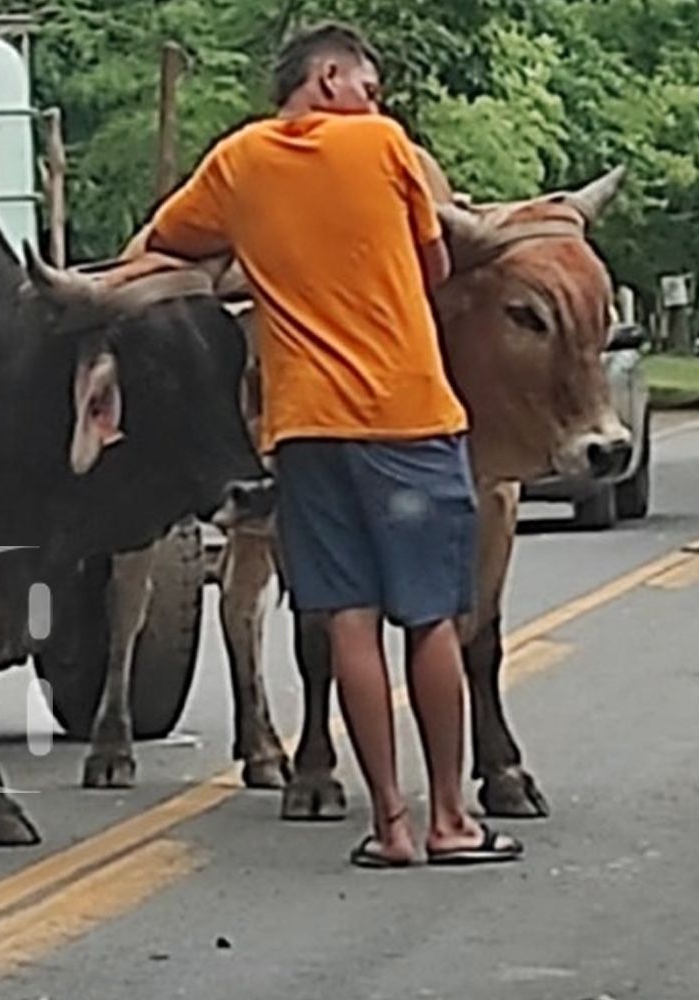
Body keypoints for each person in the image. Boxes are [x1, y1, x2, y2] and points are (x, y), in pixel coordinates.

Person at [143, 21, 523, 868]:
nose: (375, 104)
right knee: (429, 619)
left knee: (346, 618)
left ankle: (389, 824)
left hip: (307, 429)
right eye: (367, 87)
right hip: (409, 418)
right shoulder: (385, 147)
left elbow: (170, 238)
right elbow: (432, 268)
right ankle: (451, 820)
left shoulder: (236, 163)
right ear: (326, 78)